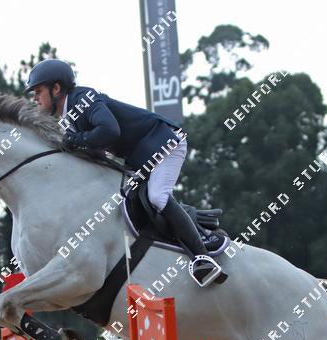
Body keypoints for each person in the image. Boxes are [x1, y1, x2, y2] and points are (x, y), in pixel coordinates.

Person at [24, 58, 228, 286]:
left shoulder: (84, 99)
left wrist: (77, 140)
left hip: (165, 143)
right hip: (143, 155)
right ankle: (198, 226)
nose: (35, 98)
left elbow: (110, 131)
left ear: (56, 88)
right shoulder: (68, 116)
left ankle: (202, 257)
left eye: (38, 91)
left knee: (157, 197)